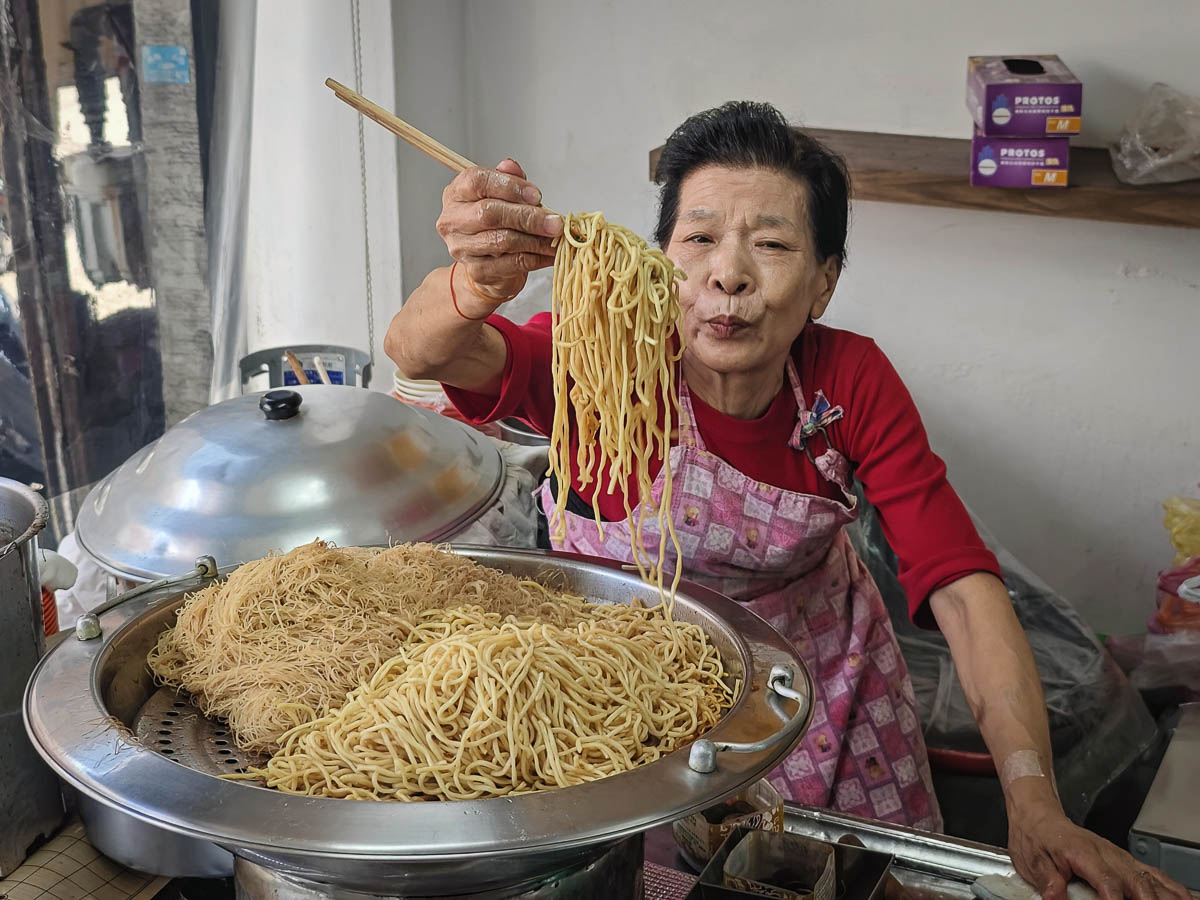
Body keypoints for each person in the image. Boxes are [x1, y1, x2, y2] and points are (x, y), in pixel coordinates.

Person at [386, 101, 1185, 900]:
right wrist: (473, 282)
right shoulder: (598, 361)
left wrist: (1033, 802)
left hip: (820, 698)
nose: (727, 274)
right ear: (659, 259)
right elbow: (421, 350)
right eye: (698, 239)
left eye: (770, 244)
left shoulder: (847, 382)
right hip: (615, 712)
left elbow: (963, 589)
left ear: (823, 284)